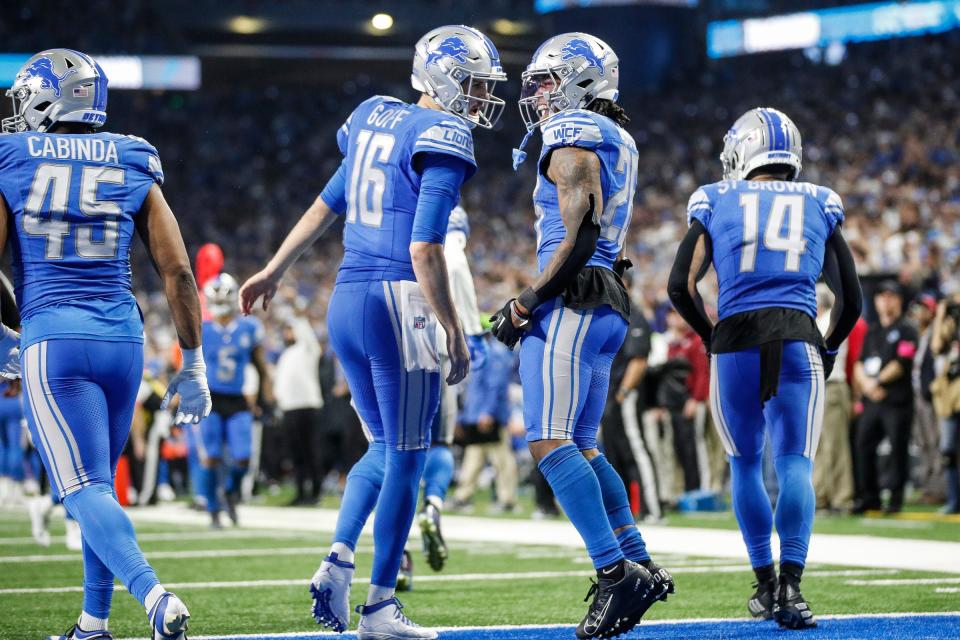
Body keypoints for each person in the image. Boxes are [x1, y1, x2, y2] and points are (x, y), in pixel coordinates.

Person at [239, 25, 504, 639]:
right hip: (397, 303)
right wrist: (456, 331)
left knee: (381, 448)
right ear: (439, 77)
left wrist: (276, 269)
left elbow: (325, 205)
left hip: (346, 301)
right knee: (409, 457)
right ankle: (380, 605)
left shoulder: (373, 117)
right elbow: (424, 248)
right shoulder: (444, 133)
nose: (478, 97)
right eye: (471, 83)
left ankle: (338, 558)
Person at [0, 49, 211, 640]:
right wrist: (192, 362)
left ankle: (154, 595)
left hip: (54, 338)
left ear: (46, 99)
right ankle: (93, 624)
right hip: (123, 339)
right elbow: (177, 272)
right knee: (100, 482)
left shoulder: (11, 155)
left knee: (82, 489)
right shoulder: (131, 154)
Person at [491, 32, 671, 640]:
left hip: (573, 297)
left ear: (581, 79)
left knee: (548, 441)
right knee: (585, 444)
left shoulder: (573, 136)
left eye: (546, 81)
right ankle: (637, 558)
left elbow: (582, 235)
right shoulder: (614, 133)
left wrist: (525, 302)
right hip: (605, 300)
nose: (538, 94)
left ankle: (616, 574)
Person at [668, 107, 862, 629]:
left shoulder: (716, 197)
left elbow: (679, 287)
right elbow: (851, 298)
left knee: (746, 464)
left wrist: (711, 336)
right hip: (798, 335)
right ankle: (793, 591)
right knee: (796, 462)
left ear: (742, 152)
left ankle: (764, 584)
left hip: (734, 339)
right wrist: (829, 345)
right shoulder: (818, 201)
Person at [418, 205, 487, 573]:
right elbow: (455, 264)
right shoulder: (450, 234)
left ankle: (393, 555)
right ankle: (432, 505)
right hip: (437, 350)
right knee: (440, 442)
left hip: (396, 345)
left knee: (392, 448)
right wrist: (473, 334)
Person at [190, 273, 271, 528]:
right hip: (210, 399)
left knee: (244, 457)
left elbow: (262, 367)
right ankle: (213, 509)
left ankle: (231, 492)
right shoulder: (202, 329)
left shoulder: (249, 327)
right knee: (211, 456)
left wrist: (269, 400)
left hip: (238, 400)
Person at [852, 281, 917, 514]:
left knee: (898, 449)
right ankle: (869, 497)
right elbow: (859, 362)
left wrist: (876, 381)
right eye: (881, 296)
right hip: (872, 399)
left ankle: (896, 498)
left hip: (896, 401)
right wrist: (868, 386)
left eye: (890, 296)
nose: (885, 301)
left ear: (898, 300)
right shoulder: (873, 330)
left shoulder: (907, 329)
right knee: (862, 445)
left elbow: (902, 362)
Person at [812, 284, 855, 513]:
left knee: (834, 445)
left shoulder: (829, 319)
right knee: (817, 446)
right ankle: (821, 495)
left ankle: (842, 497)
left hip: (832, 385)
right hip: (820, 387)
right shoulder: (821, 320)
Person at [274, 312, 323, 505]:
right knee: (296, 453)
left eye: (290, 330)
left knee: (311, 451)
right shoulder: (286, 354)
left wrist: (297, 316)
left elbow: (308, 335)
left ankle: (316, 492)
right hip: (289, 407)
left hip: (307, 406)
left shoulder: (308, 349)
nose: (288, 334)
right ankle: (301, 492)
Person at [930, 293, 960, 514]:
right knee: (948, 449)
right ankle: (953, 499)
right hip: (949, 392)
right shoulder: (949, 323)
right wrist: (941, 314)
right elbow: (936, 346)